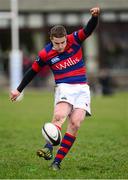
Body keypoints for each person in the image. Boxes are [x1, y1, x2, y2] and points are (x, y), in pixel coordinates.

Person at [10, 7, 100, 171]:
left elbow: (88, 30)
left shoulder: (74, 39)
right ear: (51, 39)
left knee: (75, 123)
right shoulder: (45, 53)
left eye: (62, 42)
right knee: (59, 116)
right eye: (56, 43)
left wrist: (94, 17)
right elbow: (32, 71)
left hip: (82, 88)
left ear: (66, 38)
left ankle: (56, 162)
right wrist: (18, 89)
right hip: (64, 87)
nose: (59, 46)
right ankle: (48, 148)